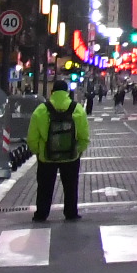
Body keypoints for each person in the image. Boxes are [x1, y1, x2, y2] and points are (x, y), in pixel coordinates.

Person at [26, 79, 89, 223]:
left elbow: (32, 137)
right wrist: (78, 150)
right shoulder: (77, 109)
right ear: (67, 92)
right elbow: (84, 136)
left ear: (52, 91)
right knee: (71, 185)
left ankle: (41, 214)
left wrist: (38, 152)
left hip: (47, 157)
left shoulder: (41, 110)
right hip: (71, 156)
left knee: (45, 186)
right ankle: (71, 212)